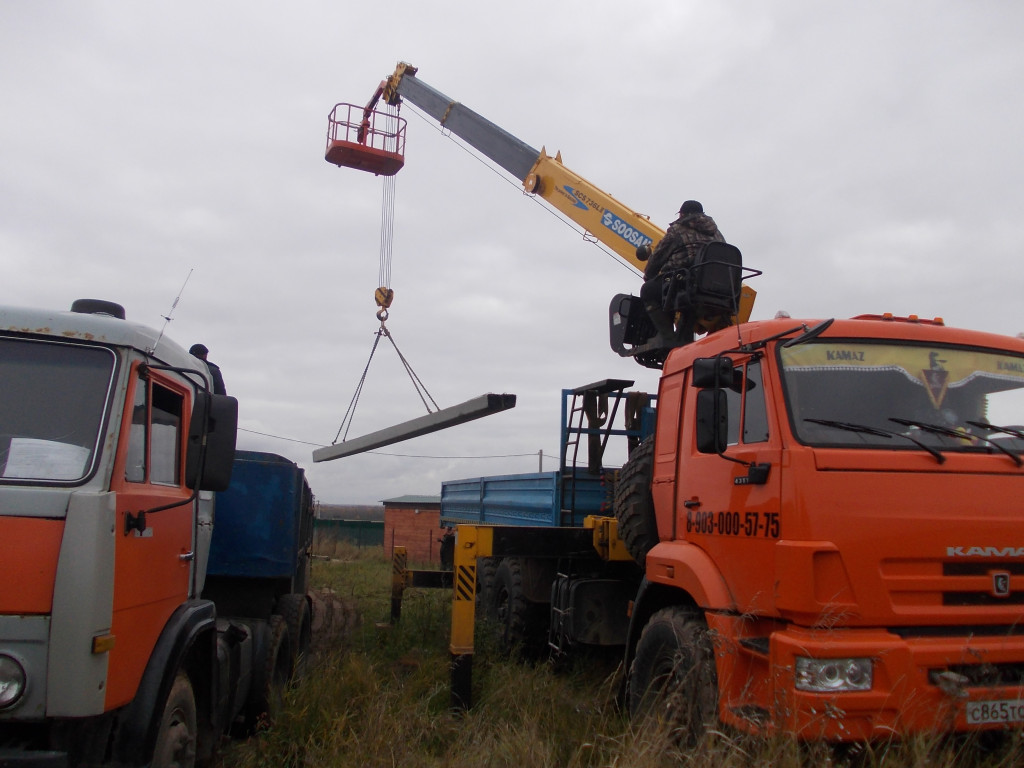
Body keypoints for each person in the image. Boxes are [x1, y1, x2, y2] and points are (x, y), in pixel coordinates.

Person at [639, 200, 725, 344]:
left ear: (682, 214)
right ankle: (682, 339)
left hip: (685, 283)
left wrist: (649, 275)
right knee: (672, 290)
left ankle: (667, 337)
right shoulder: (717, 233)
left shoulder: (678, 229)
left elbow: (658, 257)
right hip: (715, 288)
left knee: (649, 291)